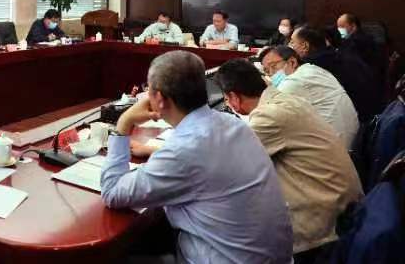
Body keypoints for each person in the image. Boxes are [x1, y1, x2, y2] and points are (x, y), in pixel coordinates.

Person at [101, 51, 293, 263]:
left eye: (149, 90)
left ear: (159, 99)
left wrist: (124, 123)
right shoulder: (232, 124)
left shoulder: (183, 151)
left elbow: (112, 193)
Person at [215, 59, 363, 263]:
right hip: (340, 206)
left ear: (233, 97)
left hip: (321, 225)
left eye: (226, 99)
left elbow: (226, 164)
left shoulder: (270, 116)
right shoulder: (287, 100)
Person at [262, 46, 359, 149]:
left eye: (274, 66)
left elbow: (266, 117)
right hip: (345, 142)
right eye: (267, 71)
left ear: (292, 62)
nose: (271, 73)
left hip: (332, 148)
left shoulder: (295, 82)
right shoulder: (312, 69)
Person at [289, 26, 381, 122]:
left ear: (305, 46)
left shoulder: (312, 68)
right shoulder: (342, 55)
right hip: (369, 115)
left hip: (354, 119)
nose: (289, 45)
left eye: (292, 42)